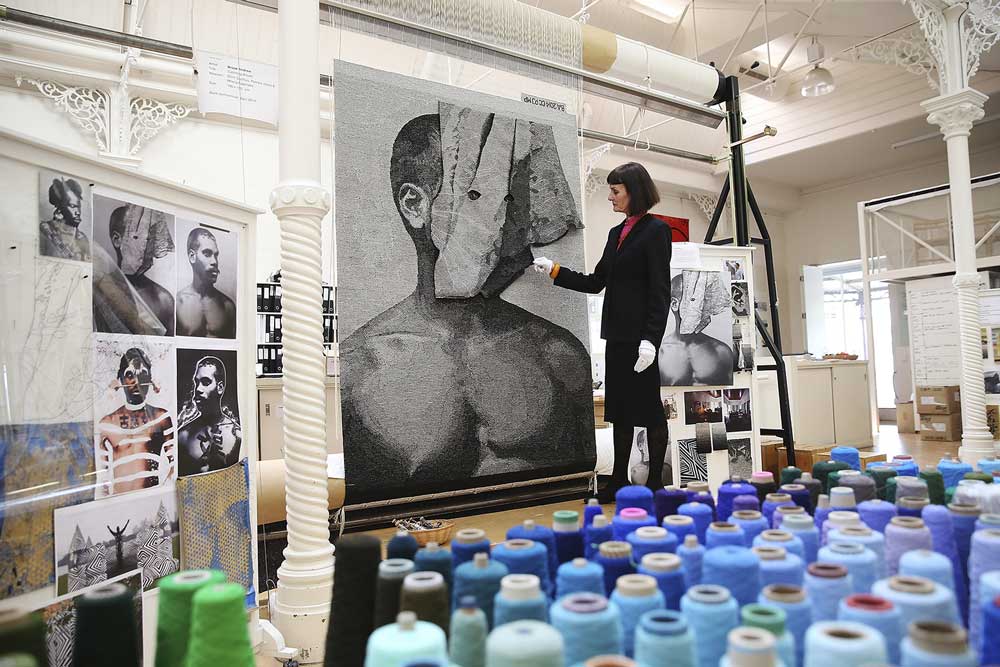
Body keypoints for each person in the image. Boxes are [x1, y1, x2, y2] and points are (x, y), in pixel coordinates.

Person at [340, 112, 594, 496]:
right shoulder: (360, 368)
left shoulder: (558, 354)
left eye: (513, 200)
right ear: (415, 205)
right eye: (477, 196)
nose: (505, 222)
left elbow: (577, 489)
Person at [534, 161, 671, 501]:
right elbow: (596, 283)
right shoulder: (616, 234)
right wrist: (555, 271)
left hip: (642, 341)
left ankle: (655, 483)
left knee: (650, 410)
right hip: (618, 337)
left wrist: (651, 341)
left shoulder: (657, 231)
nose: (610, 197)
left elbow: (660, 290)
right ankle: (620, 481)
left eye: (615, 191)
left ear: (633, 191)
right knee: (621, 411)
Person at [96, 348, 175, 496]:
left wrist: (161, 498)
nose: (137, 381)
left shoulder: (161, 418)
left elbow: (175, 467)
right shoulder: (107, 423)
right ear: (120, 379)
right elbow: (103, 479)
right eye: (130, 375)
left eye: (143, 374)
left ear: (150, 379)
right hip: (120, 508)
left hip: (153, 504)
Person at [658, 272, 734, 386]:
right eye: (694, 300)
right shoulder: (660, 353)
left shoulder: (722, 351)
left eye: (703, 301)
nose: (702, 308)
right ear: (674, 304)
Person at [177, 356, 242, 475]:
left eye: (205, 382)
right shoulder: (183, 436)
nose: (198, 389)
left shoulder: (237, 435)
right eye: (196, 383)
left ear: (220, 387)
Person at [176, 228, 237, 338]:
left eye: (216, 255)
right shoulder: (177, 303)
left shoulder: (227, 306)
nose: (214, 262)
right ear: (192, 257)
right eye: (207, 254)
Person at [39, 176, 90, 261]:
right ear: (59, 210)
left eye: (78, 207)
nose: (77, 212)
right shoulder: (45, 231)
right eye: (73, 206)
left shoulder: (82, 238)